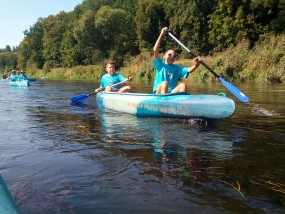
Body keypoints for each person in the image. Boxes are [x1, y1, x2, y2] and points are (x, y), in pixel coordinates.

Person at [152, 27, 202, 94]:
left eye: (174, 55)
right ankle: (163, 103)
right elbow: (155, 50)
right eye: (169, 54)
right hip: (159, 93)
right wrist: (162, 34)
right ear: (164, 57)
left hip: (171, 93)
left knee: (182, 85)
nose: (172, 56)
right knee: (164, 83)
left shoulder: (176, 68)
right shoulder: (160, 64)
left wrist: (197, 64)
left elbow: (189, 70)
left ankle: (180, 103)